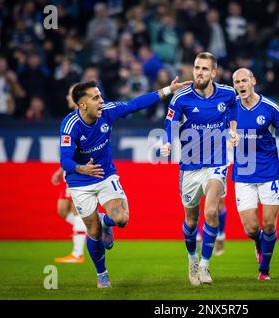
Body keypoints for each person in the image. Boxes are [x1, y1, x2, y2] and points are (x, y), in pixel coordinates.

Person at [59, 77, 191, 288]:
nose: (101, 101)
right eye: (95, 98)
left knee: (121, 219)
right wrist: (80, 168)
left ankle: (107, 222)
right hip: (80, 181)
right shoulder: (70, 124)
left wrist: (168, 89)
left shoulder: (108, 111)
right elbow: (64, 159)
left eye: (100, 96)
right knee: (92, 232)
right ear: (82, 104)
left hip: (104, 174)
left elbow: (135, 104)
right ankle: (102, 274)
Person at [160, 52, 239, 286]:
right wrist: (167, 140)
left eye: (204, 69)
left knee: (212, 211)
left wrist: (232, 130)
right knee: (191, 221)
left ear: (213, 72)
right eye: (197, 68)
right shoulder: (181, 97)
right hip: (190, 167)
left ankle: (205, 265)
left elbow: (233, 111)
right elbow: (170, 123)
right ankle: (192, 258)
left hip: (217, 163)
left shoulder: (227, 93)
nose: (199, 72)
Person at [231, 68, 279, 280]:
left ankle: (264, 270)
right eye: (237, 82)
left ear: (253, 81)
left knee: (269, 225)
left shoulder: (270, 108)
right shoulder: (230, 109)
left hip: (269, 173)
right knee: (251, 229)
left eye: (244, 80)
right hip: (243, 175)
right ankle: (258, 243)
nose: (240, 85)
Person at [53, 83, 87, 263]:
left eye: (69, 94)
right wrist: (61, 170)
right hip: (69, 170)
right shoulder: (71, 118)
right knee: (61, 210)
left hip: (78, 172)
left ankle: (77, 253)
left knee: (76, 210)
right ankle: (93, 227)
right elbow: (71, 150)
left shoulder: (81, 119)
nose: (67, 97)